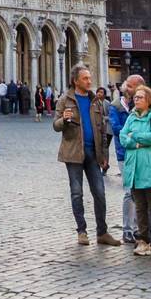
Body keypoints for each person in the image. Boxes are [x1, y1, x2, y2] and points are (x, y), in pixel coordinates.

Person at [53, 64, 119, 245]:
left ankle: (102, 232)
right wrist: (63, 120)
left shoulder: (95, 101)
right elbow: (55, 125)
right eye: (85, 78)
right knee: (77, 193)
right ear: (75, 81)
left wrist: (105, 155)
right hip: (73, 153)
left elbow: (102, 130)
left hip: (93, 153)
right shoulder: (64, 100)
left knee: (99, 192)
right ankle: (81, 231)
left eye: (90, 78)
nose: (89, 81)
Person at [120, 83, 151, 258]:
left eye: (140, 97)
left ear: (149, 100)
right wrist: (136, 141)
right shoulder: (131, 117)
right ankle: (143, 241)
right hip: (134, 169)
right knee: (140, 207)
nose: (136, 100)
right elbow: (123, 138)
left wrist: (135, 137)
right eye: (135, 97)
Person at [108, 73, 144, 242]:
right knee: (130, 191)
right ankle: (127, 229)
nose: (127, 88)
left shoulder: (143, 105)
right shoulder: (115, 105)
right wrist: (135, 134)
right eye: (127, 86)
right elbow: (116, 129)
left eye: (131, 86)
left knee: (140, 191)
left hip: (142, 153)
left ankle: (138, 227)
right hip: (124, 154)